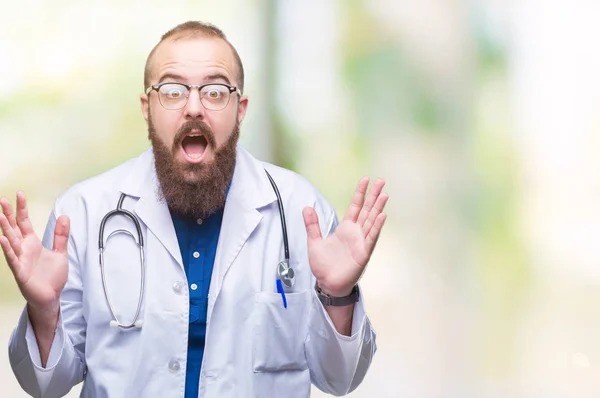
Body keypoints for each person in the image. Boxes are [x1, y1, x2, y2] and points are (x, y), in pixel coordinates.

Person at [1, 21, 389, 398]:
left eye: (216, 91)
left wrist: (338, 295)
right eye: (172, 91)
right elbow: (46, 385)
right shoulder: (84, 212)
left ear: (240, 108)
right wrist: (43, 308)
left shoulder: (300, 211)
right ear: (147, 107)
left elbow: (340, 380)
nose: (193, 108)